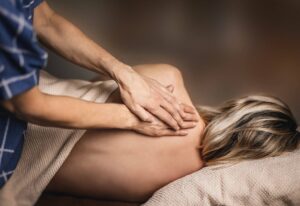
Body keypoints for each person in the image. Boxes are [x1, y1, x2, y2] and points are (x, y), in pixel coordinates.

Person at [0, 0, 198, 189]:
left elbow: (46, 21)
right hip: (10, 140)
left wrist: (125, 74)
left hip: (30, 95)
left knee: (168, 77)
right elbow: (27, 105)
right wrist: (134, 119)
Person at [37, 64, 298, 203]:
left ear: (238, 108)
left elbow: (90, 83)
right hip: (19, 176)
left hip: (24, 99)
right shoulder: (184, 177)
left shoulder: (168, 77)